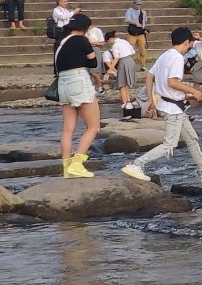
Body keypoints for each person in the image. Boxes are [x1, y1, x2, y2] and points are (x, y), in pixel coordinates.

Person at [122, 26, 202, 186]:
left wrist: (152, 101)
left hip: (171, 104)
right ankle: (136, 164)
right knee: (170, 144)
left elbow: (149, 76)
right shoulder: (176, 57)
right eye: (190, 43)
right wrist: (193, 91)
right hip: (173, 108)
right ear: (187, 42)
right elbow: (172, 82)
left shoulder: (165, 55)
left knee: (191, 138)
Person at [53, 12, 103, 177]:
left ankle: (66, 167)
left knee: (68, 130)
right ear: (86, 28)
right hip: (79, 81)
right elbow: (93, 61)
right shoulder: (82, 40)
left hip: (63, 84)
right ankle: (77, 163)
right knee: (93, 126)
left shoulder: (60, 41)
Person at [104, 26, 142, 118]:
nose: (109, 43)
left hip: (123, 61)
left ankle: (125, 102)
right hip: (131, 61)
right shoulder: (124, 41)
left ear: (111, 39)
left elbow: (116, 58)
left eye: (108, 41)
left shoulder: (115, 45)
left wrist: (110, 69)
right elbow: (133, 52)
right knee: (126, 84)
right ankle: (128, 101)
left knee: (121, 84)